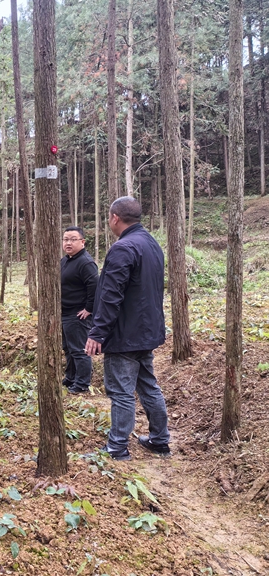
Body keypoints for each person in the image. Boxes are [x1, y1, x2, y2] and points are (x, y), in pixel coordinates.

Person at [85, 196, 171, 461]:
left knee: (121, 391)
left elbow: (111, 295)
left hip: (125, 334)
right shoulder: (151, 243)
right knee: (148, 386)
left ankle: (117, 447)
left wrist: (98, 332)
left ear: (114, 218)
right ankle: (159, 440)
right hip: (147, 332)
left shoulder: (123, 248)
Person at [60, 227, 98, 394]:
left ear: (82, 242)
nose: (68, 242)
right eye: (66, 239)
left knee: (79, 350)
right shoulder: (66, 260)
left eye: (73, 239)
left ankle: (82, 384)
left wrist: (89, 308)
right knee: (68, 348)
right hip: (64, 312)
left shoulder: (86, 262)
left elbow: (95, 286)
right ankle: (71, 377)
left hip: (77, 315)